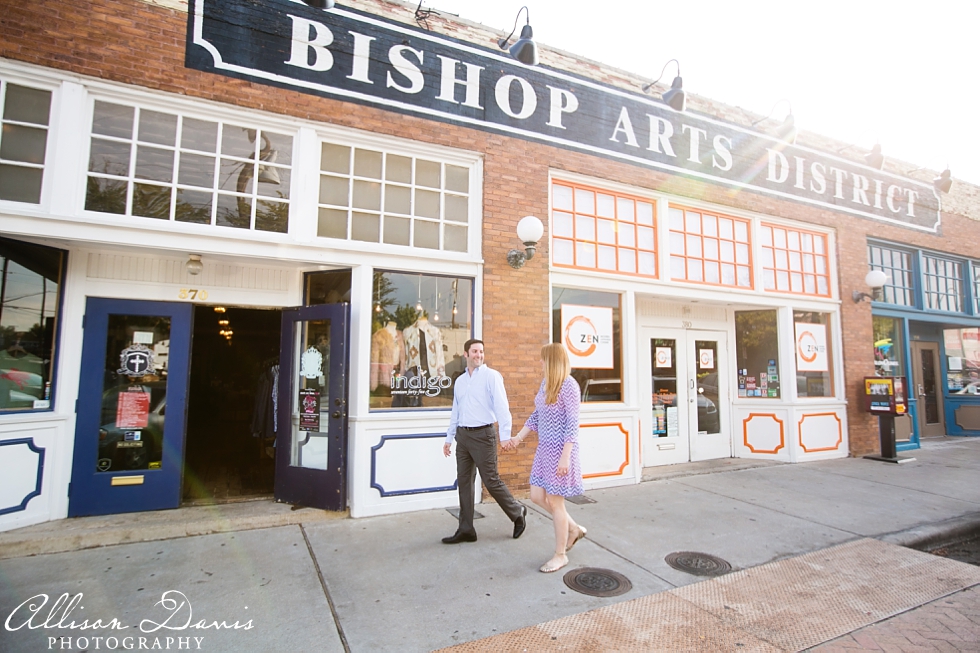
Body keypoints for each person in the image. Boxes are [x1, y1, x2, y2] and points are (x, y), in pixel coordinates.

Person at [442, 339, 527, 544]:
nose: (478, 355)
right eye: (474, 351)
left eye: (481, 351)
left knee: (491, 480)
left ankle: (517, 513)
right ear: (466, 354)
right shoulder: (461, 381)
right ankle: (466, 529)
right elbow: (456, 411)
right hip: (463, 436)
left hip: (483, 435)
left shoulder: (491, 376)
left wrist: (505, 436)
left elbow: (502, 407)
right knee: (464, 482)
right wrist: (449, 437)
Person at [511, 343, 585, 573]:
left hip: (561, 452)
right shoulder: (546, 383)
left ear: (552, 361)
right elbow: (537, 415)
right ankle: (573, 528)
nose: (540, 363)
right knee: (535, 496)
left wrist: (565, 457)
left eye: (543, 359)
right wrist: (519, 437)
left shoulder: (570, 386)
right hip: (544, 450)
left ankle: (560, 555)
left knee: (555, 502)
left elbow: (573, 424)